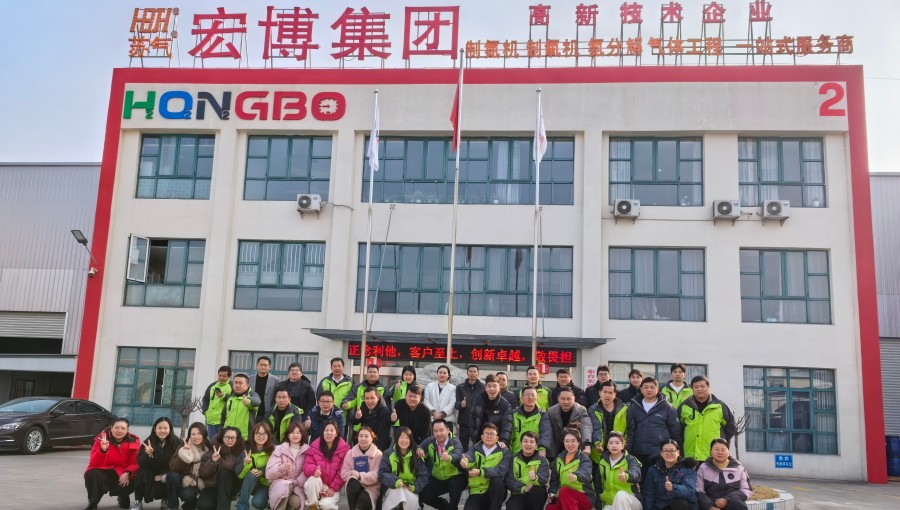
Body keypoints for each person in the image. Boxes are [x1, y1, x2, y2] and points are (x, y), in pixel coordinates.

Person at [625, 376, 681, 475]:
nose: (649, 390)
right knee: (639, 478)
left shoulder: (667, 407)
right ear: (641, 389)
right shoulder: (634, 406)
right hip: (638, 451)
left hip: (659, 452)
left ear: (657, 389)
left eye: (652, 387)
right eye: (646, 387)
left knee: (658, 478)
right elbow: (630, 430)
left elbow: (675, 431)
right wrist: (628, 449)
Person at [83, 418, 140, 510]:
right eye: (116, 427)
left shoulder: (133, 441)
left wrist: (128, 472)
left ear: (127, 430)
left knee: (126, 502)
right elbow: (94, 462)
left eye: (123, 428)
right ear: (111, 428)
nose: (119, 430)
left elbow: (135, 463)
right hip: (104, 470)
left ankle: (122, 495)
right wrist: (103, 450)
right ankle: (93, 502)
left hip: (122, 472)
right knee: (92, 474)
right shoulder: (101, 439)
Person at [677, 376, 736, 462]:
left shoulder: (720, 406)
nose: (699, 389)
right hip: (690, 455)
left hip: (713, 456)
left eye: (702, 386)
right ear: (692, 389)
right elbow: (677, 428)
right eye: (696, 387)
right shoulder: (684, 406)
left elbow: (731, 427)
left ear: (708, 387)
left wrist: (721, 441)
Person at [417, 419, 466, 510]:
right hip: (439, 478)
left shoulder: (455, 441)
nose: (438, 433)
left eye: (441, 430)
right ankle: (445, 507)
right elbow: (419, 446)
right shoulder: (430, 441)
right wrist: (419, 449)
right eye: (435, 431)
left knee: (454, 486)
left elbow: (458, 454)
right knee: (424, 495)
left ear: (448, 430)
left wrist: (449, 457)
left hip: (456, 476)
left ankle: (452, 507)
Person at [133, 416, 180, 509]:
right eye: (159, 428)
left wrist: (162, 474)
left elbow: (177, 463)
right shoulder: (148, 442)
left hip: (167, 472)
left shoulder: (176, 442)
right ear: (155, 429)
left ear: (170, 429)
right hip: (151, 472)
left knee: (172, 476)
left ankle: (166, 499)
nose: (162, 431)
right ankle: (138, 502)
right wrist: (148, 455)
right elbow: (140, 463)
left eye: (165, 428)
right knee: (141, 472)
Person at [460, 423, 510, 510]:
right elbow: (469, 456)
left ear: (497, 438)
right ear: (482, 437)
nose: (489, 436)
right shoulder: (474, 448)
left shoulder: (504, 451)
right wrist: (465, 462)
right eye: (486, 433)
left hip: (494, 492)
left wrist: (480, 472)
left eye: (492, 434)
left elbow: (501, 471)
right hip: (477, 491)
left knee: (497, 481)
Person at [303, 421, 350, 510]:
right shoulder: (314, 446)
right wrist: (314, 470)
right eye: (326, 430)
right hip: (319, 483)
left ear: (336, 433)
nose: (329, 433)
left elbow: (342, 472)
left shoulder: (344, 449)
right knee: (313, 480)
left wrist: (333, 488)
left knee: (325, 505)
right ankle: (313, 506)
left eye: (332, 430)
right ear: (323, 432)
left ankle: (322, 503)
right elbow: (307, 465)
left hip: (333, 488)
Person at [380, 427, 429, 510]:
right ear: (397, 438)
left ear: (411, 440)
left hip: (411, 488)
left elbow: (423, 476)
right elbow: (382, 473)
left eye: (407, 438)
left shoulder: (416, 455)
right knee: (400, 493)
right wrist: (396, 481)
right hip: (393, 487)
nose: (404, 440)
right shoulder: (388, 453)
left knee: (408, 496)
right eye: (402, 437)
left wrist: (414, 487)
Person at [197, 426, 246, 510]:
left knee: (225, 473)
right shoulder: (212, 451)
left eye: (233, 438)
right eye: (227, 437)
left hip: (231, 486)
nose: (230, 440)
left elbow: (240, 474)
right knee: (203, 506)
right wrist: (213, 461)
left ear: (237, 439)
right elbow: (204, 473)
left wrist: (246, 464)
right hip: (213, 485)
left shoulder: (240, 453)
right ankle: (218, 502)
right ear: (222, 438)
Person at [546, 428, 596, 510]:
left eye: (573, 441)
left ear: (578, 442)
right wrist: (552, 493)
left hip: (584, 496)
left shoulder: (584, 458)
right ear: (563, 442)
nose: (570, 444)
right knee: (550, 508)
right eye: (567, 441)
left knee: (564, 491)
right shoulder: (559, 458)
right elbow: (555, 480)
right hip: (565, 496)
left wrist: (576, 476)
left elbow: (585, 473)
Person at [642, 440, 699, 510]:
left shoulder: (688, 468)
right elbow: (649, 494)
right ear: (661, 453)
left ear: (678, 452)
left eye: (672, 450)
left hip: (684, 505)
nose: (669, 453)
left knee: (678, 503)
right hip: (661, 505)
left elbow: (689, 490)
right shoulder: (653, 470)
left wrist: (673, 488)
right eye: (665, 450)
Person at [695, 439, 751, 510]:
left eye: (723, 450)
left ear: (728, 451)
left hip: (732, 503)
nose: (720, 452)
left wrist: (727, 499)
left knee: (738, 505)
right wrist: (710, 507)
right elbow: (699, 490)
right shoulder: (703, 468)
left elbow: (746, 489)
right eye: (716, 449)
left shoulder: (738, 468)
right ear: (710, 451)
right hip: (710, 504)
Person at [266, 422, 311, 510]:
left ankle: (277, 503)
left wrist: (296, 481)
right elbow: (269, 473)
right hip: (280, 484)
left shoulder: (307, 450)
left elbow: (307, 470)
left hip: (297, 486)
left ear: (302, 435)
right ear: (288, 435)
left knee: (296, 503)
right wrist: (282, 468)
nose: (295, 435)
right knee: (286, 486)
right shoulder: (279, 449)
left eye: (298, 433)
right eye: (292, 432)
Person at [540, 387, 592, 459]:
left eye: (569, 399)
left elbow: (586, 427)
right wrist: (543, 447)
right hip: (556, 446)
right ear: (558, 399)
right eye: (563, 399)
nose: (566, 402)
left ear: (574, 398)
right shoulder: (551, 411)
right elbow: (547, 431)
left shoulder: (581, 410)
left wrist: (587, 445)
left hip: (574, 446)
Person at [167, 422, 210, 510]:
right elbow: (173, 466)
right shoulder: (183, 445)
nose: (196, 437)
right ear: (189, 435)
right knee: (172, 475)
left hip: (198, 480)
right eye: (193, 434)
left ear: (204, 434)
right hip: (182, 477)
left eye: (199, 434)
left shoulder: (208, 448)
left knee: (187, 495)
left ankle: (190, 505)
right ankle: (172, 506)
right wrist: (184, 454)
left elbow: (209, 470)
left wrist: (196, 481)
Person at [596, 432, 643, 510]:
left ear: (623, 445)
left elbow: (636, 475)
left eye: (617, 443)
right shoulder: (602, 462)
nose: (614, 445)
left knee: (620, 495)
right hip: (610, 503)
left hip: (631, 502)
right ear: (607, 446)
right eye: (611, 443)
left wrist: (627, 476)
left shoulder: (630, 460)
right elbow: (598, 486)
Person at [504, 432, 550, 510]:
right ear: (521, 444)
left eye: (532, 442)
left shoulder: (542, 460)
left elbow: (544, 479)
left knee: (537, 490)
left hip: (535, 495)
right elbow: (509, 480)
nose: (528, 444)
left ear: (536, 445)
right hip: (518, 493)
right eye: (525, 441)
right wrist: (524, 488)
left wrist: (535, 478)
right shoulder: (513, 459)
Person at [341, 426, 383, 510]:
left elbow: (377, 475)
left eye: (366, 436)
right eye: (360, 436)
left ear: (372, 438)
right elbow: (344, 473)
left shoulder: (378, 454)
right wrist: (353, 473)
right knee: (352, 484)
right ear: (357, 438)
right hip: (356, 485)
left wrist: (360, 476)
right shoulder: (350, 453)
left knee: (364, 499)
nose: (363, 439)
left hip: (372, 487)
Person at [236, 422, 274, 510]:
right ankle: (242, 506)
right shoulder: (246, 449)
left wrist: (261, 471)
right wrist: (246, 463)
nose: (261, 436)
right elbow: (239, 475)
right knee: (252, 473)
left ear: (268, 435)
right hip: (250, 482)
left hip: (265, 484)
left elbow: (274, 469)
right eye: (258, 433)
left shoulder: (273, 450)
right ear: (253, 435)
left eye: (264, 434)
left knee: (258, 503)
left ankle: (267, 498)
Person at [589, 380, 628, 464]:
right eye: (605, 392)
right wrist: (597, 443)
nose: (607, 395)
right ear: (600, 393)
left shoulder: (624, 409)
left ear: (615, 394)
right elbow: (595, 428)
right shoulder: (593, 409)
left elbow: (629, 429)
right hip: (599, 449)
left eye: (610, 393)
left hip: (618, 448)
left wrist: (625, 444)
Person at [471, 374, 513, 448]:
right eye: (489, 386)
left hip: (497, 443)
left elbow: (507, 425)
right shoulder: (478, 400)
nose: (492, 389)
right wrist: (473, 434)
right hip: (478, 441)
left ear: (499, 388)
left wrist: (503, 440)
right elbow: (472, 418)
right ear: (486, 388)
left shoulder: (505, 405)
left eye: (494, 386)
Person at [349, 386, 393, 450]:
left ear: (378, 398)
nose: (369, 401)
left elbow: (383, 437)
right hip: (364, 442)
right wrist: (356, 417)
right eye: (367, 398)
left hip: (378, 447)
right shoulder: (364, 405)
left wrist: (373, 450)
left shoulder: (384, 411)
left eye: (372, 398)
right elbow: (354, 422)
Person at [222, 374, 262, 441]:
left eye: (240, 383)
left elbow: (257, 401)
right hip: (228, 436)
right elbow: (223, 417)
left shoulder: (252, 395)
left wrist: (248, 402)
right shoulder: (230, 398)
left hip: (244, 438)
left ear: (247, 385)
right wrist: (221, 432)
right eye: (235, 383)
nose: (237, 385)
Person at [509, 387, 547, 455]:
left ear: (537, 398)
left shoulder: (543, 415)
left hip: (535, 454)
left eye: (533, 395)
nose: (530, 397)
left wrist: (542, 448)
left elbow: (545, 433)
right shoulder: (513, 414)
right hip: (516, 453)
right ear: (521, 398)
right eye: (527, 395)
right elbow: (509, 435)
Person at [455, 365, 485, 449]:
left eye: (474, 371)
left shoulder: (483, 387)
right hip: (464, 421)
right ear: (467, 373)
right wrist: (461, 404)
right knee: (463, 446)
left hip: (478, 421)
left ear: (478, 373)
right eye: (470, 371)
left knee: (478, 445)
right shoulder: (460, 387)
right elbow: (456, 404)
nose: (472, 373)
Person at [202, 366, 233, 439]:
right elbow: (205, 399)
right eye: (220, 375)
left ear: (229, 376)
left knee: (222, 442)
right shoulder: (212, 386)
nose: (221, 378)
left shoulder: (232, 386)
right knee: (212, 442)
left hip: (224, 421)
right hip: (211, 420)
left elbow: (234, 400)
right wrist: (205, 411)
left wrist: (223, 396)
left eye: (224, 376)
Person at [423, 365, 457, 431]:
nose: (442, 375)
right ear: (437, 374)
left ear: (448, 375)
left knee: (447, 437)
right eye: (440, 372)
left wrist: (442, 414)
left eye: (444, 373)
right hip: (432, 419)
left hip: (447, 421)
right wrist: (433, 412)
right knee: (432, 437)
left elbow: (452, 403)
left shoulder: (453, 388)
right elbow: (426, 401)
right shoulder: (430, 386)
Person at [253, 356, 282, 423]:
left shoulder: (276, 380)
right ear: (257, 366)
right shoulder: (249, 379)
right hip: (253, 412)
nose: (263, 367)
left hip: (268, 413)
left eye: (265, 365)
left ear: (269, 367)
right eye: (261, 365)